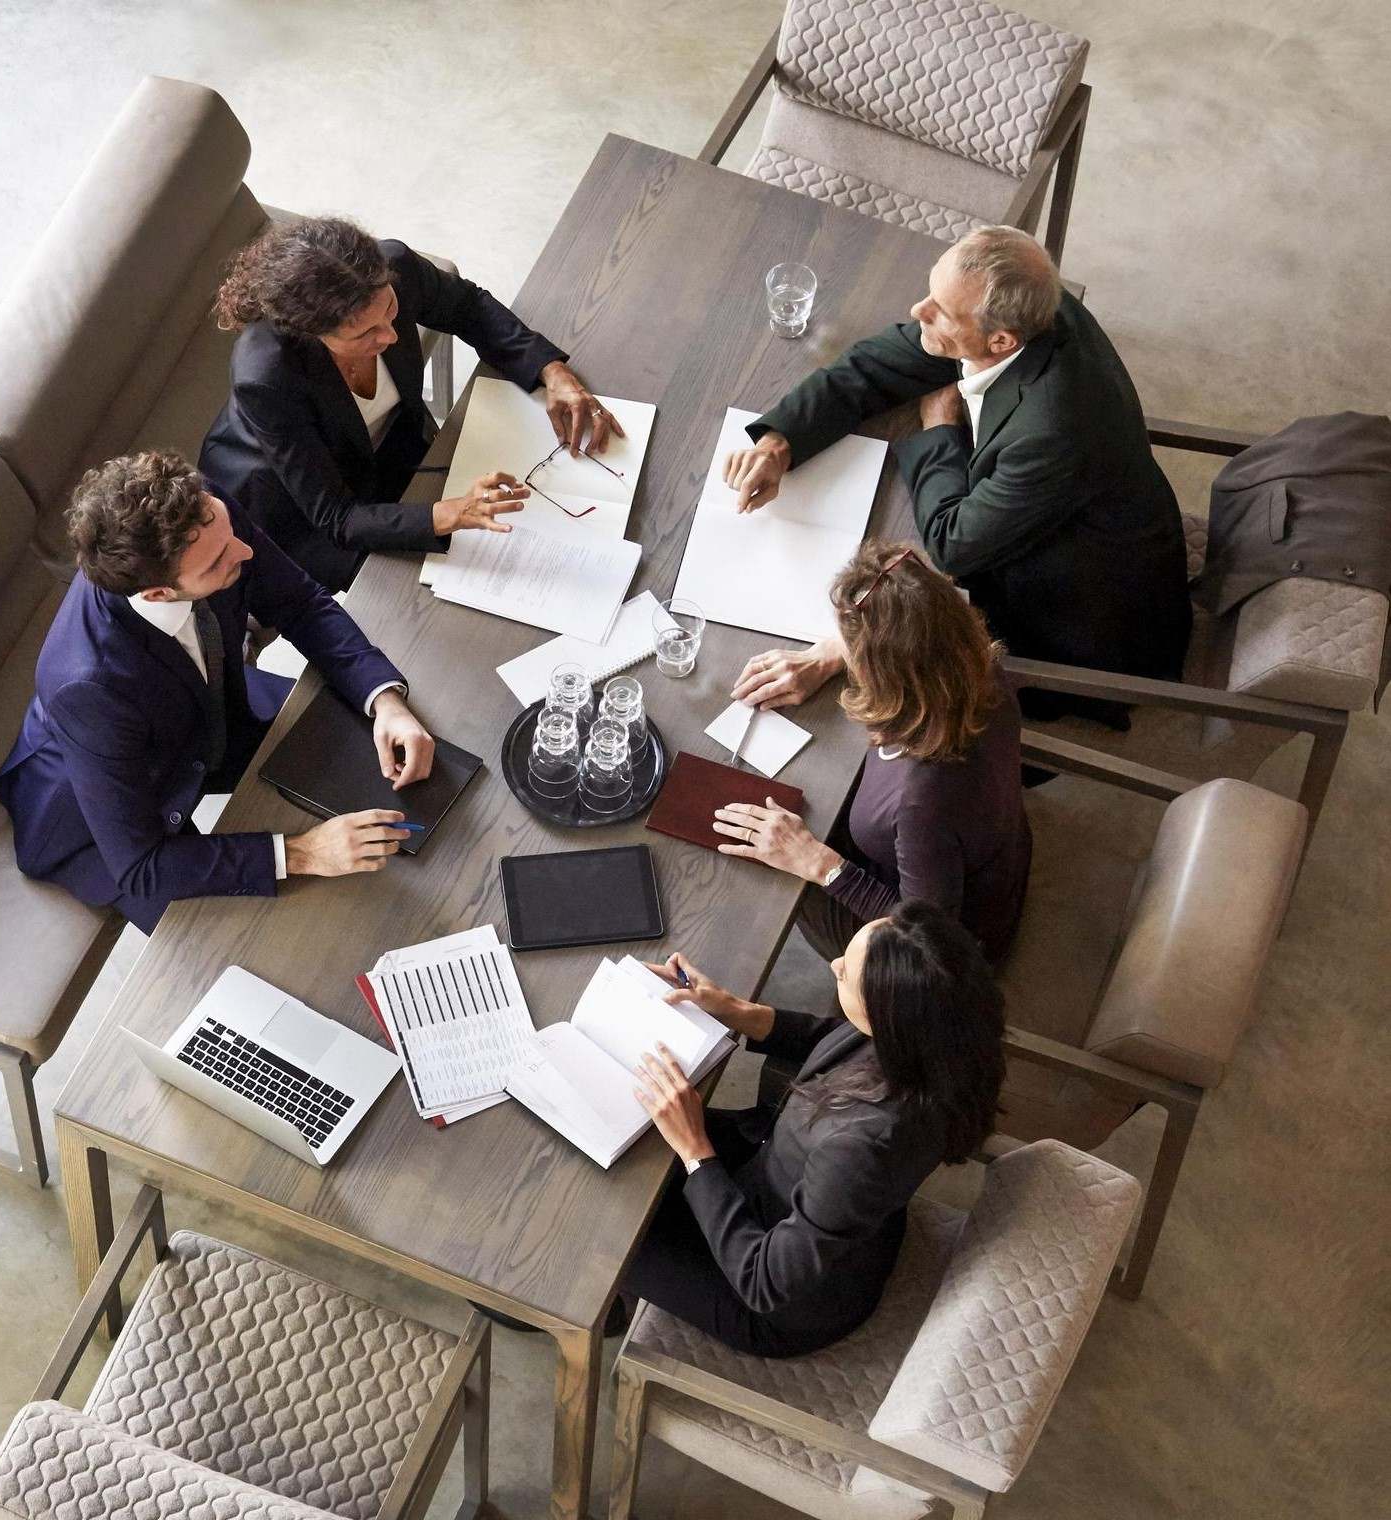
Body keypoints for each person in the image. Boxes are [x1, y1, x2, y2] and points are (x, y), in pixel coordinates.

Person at [723, 225, 1191, 725]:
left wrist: (939, 428)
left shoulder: (1053, 430)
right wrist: (779, 442)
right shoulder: (1032, 304)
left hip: (1079, 618)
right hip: (1056, 514)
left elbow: (953, 544)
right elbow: (876, 364)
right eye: (931, 293)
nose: (917, 311)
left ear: (1001, 339)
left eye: (940, 312)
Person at [0, 450, 437, 934]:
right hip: (101, 818)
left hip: (213, 709)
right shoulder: (87, 685)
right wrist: (303, 852)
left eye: (230, 536)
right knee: (269, 935)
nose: (245, 552)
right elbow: (142, 866)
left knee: (385, 769)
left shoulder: (205, 519)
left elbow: (300, 601)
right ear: (158, 593)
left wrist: (385, 700)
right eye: (220, 561)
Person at [623, 903, 1005, 1358]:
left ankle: (604, 1314)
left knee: (605, 1237)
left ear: (888, 1014)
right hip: (784, 1184)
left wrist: (695, 1151)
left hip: (775, 1300)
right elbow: (833, 1038)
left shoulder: (865, 1147)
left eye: (847, 974)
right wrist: (736, 1010)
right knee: (638, 1132)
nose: (834, 965)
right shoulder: (937, 1039)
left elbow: (763, 1283)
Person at [199, 216, 623, 592]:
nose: (392, 337)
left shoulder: (393, 265)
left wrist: (553, 372)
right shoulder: (267, 377)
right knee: (417, 595)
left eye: (390, 310)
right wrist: (449, 514)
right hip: (296, 501)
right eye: (364, 335)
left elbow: (467, 307)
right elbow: (337, 518)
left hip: (390, 445)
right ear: (311, 333)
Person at [713, 541, 1031, 965]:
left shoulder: (923, 804)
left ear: (886, 672)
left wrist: (819, 863)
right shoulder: (973, 663)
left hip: (940, 944)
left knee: (774, 868)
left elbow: (928, 939)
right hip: (987, 853)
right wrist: (828, 653)